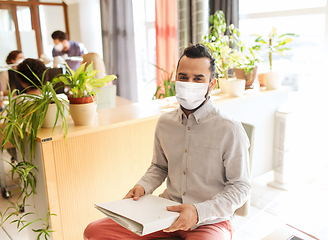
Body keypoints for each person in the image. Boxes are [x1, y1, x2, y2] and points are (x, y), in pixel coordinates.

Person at [83, 44, 251, 240]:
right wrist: (143, 187)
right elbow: (160, 166)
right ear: (176, 79)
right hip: (165, 213)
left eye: (198, 79)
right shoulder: (165, 123)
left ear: (211, 84)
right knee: (94, 232)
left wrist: (198, 211)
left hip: (208, 221)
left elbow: (240, 187)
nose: (189, 83)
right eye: (183, 77)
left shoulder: (229, 129)